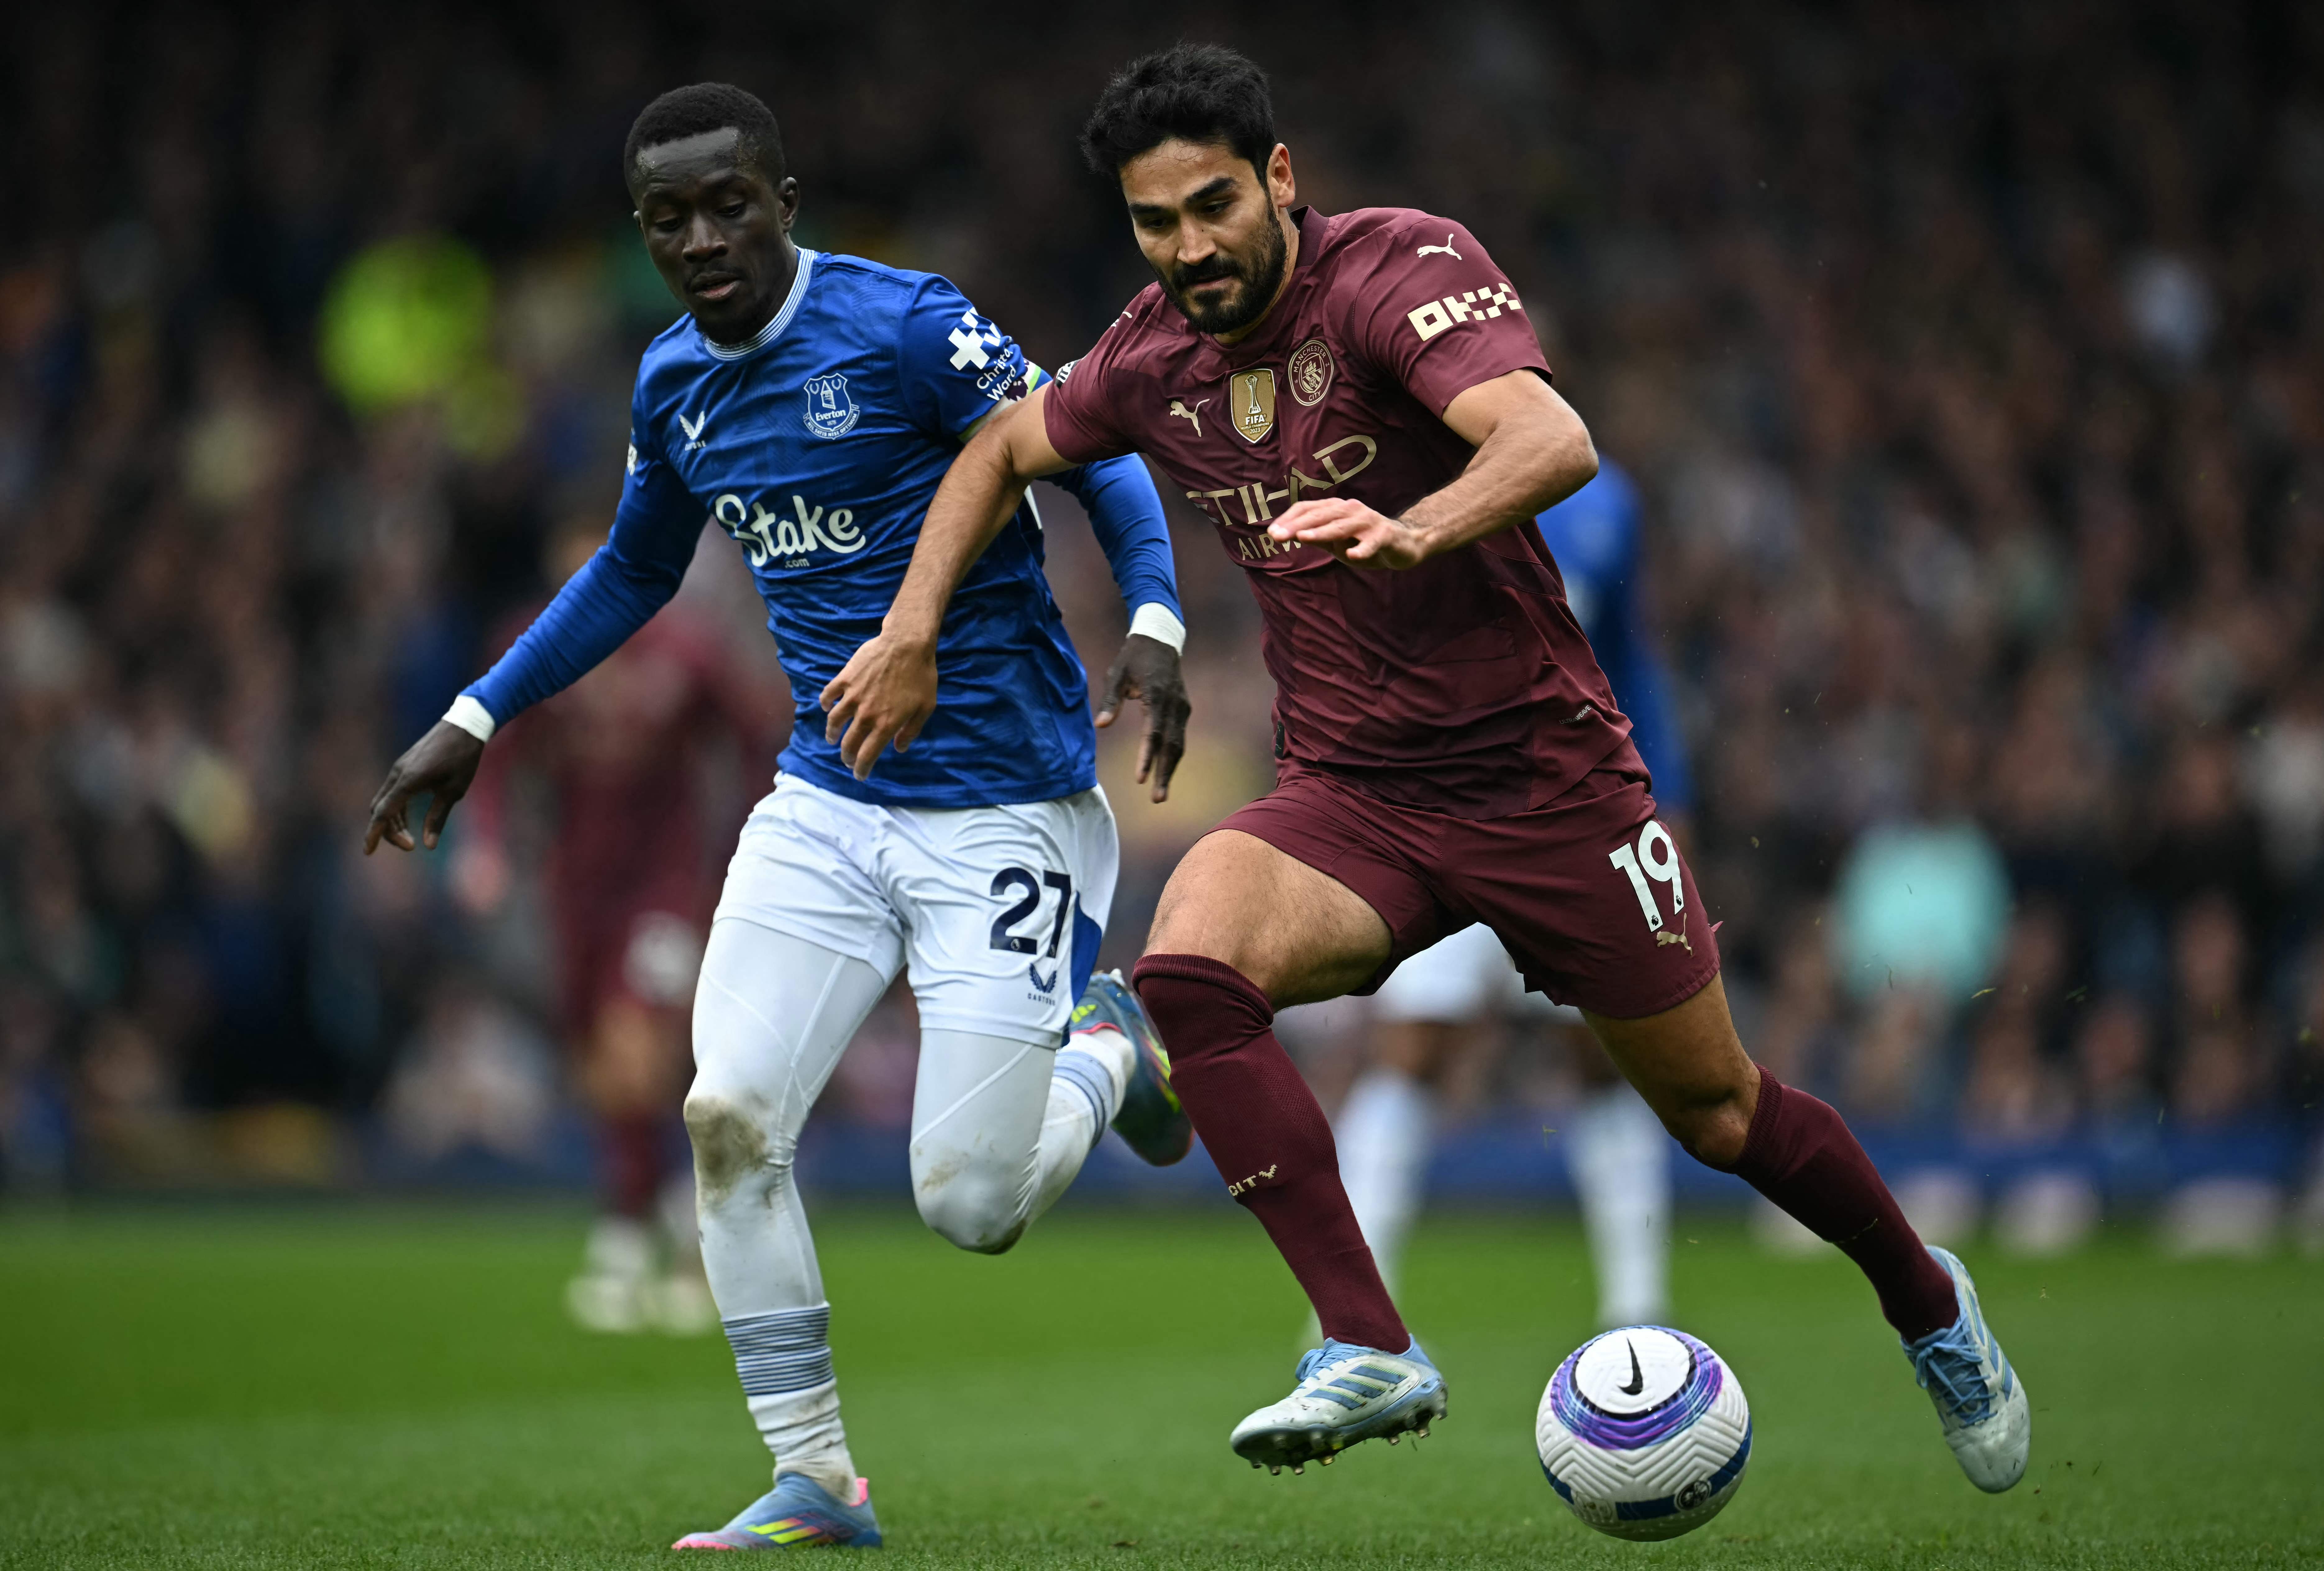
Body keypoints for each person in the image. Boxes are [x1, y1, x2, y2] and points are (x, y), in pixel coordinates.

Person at [823, 44, 2030, 1496]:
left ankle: (1929, 1303)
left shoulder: (1398, 268)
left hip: (1546, 782)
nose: (1190, 247)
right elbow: (1001, 446)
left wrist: (1415, 527)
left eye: (1214, 204)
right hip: (1355, 795)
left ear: (1280, 177)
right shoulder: (1150, 353)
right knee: (1188, 967)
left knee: (1716, 1114)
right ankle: (1364, 1340)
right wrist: (910, 629)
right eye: (1155, 223)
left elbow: (1551, 437)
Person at [363, 83, 1196, 1551]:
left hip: (1003, 805)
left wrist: (1154, 615)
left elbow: (1098, 451)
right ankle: (815, 1473)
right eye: (667, 219)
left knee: (972, 1204)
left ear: (783, 198)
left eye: (726, 205)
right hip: (823, 800)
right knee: (725, 1113)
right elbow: (632, 569)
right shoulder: (674, 380)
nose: (700, 239)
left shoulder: (902, 324)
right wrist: (477, 716)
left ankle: (1110, 1045)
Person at [1334, 455, 1687, 1333]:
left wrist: (1667, 802)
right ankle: (1348, 1306)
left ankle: (1636, 1302)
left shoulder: (1607, 502)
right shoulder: (1403, 482)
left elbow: (1630, 661)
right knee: (1413, 1046)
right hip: (1444, 808)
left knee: (1602, 1055)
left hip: (1578, 813)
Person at [458, 521, 783, 1335]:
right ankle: (682, 1205)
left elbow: (755, 742)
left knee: (638, 1044)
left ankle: (622, 1232)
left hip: (666, 887)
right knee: (601, 1060)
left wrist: (757, 839)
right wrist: (487, 842)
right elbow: (496, 752)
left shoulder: (688, 652)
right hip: (575, 889)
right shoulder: (537, 649)